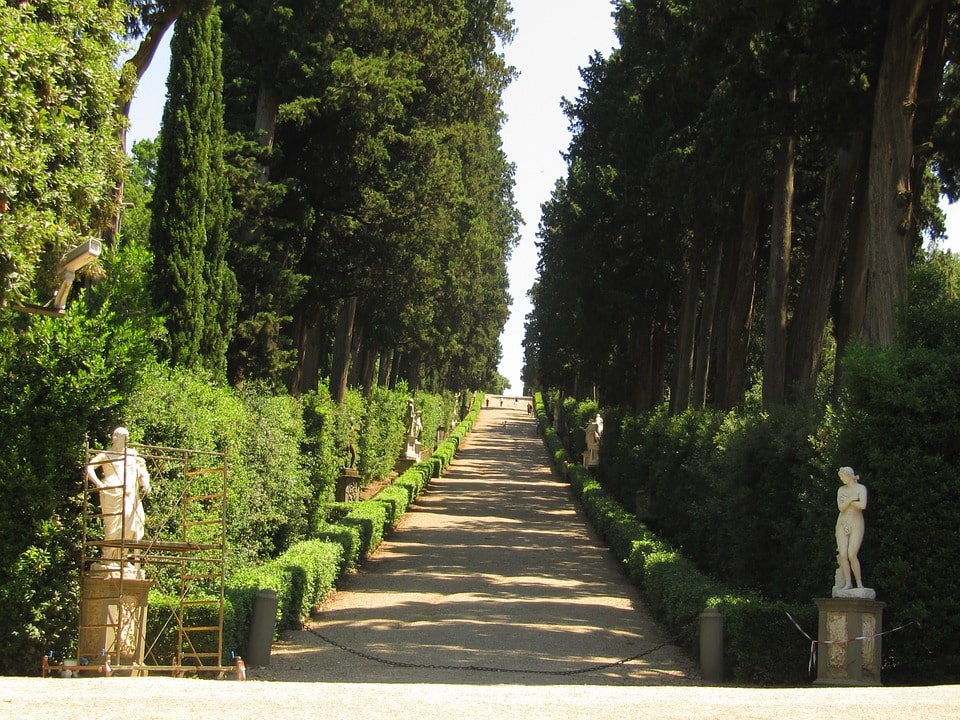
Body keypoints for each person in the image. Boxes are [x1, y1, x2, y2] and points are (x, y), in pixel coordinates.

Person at [85, 428, 151, 565]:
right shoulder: (106, 455)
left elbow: (142, 471)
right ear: (114, 438)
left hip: (130, 494)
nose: (123, 442)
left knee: (130, 527)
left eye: (125, 439)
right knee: (113, 528)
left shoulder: (132, 454)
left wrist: (145, 483)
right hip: (112, 493)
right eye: (120, 438)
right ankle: (109, 558)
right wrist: (99, 484)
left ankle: (122, 558)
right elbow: (89, 467)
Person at [835, 466, 867, 590]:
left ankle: (859, 582)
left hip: (856, 522)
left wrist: (848, 501)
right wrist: (852, 499)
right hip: (843, 522)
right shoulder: (841, 490)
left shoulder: (861, 488)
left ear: (849, 476)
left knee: (852, 554)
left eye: (843, 476)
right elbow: (841, 508)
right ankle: (848, 583)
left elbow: (862, 505)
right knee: (843, 554)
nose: (842, 479)